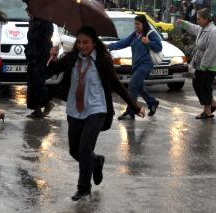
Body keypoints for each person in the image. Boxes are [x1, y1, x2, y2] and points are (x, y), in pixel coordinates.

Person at [46, 26, 144, 201]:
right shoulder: (71, 58)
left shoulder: (102, 59)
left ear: (93, 43)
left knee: (84, 149)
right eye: (79, 42)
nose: (82, 46)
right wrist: (51, 56)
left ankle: (83, 189)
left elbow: (116, 84)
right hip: (75, 110)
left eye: (86, 42)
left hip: (97, 109)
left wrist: (134, 106)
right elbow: (49, 71)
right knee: (74, 151)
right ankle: (97, 161)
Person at [107, 15, 161, 120]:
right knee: (138, 87)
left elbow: (159, 47)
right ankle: (152, 102)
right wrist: (109, 46)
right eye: (135, 24)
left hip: (145, 65)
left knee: (132, 85)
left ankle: (130, 112)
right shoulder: (135, 34)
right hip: (136, 65)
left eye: (138, 24)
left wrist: (148, 42)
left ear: (143, 24)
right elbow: (123, 42)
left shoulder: (151, 34)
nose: (135, 26)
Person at [177, 8, 216, 119]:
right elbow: (194, 28)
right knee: (198, 83)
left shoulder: (213, 31)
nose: (197, 21)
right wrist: (183, 23)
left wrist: (204, 65)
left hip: (210, 65)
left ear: (206, 19)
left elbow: (210, 51)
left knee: (204, 85)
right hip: (201, 63)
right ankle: (212, 103)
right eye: (197, 19)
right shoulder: (203, 28)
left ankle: (207, 111)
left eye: (199, 19)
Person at [25, 7, 55, 119]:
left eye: (29, 10)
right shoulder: (33, 21)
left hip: (40, 56)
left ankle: (46, 102)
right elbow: (30, 40)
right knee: (31, 83)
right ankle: (36, 108)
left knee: (38, 82)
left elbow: (46, 40)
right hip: (32, 56)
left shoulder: (45, 22)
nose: (27, 12)